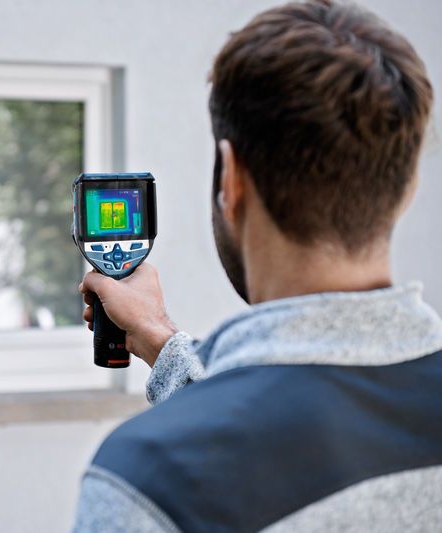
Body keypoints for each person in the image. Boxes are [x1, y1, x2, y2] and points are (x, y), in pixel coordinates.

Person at [72, 1, 441, 531]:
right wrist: (160, 339)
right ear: (408, 187)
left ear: (232, 181)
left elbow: (267, 436)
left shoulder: (150, 481)